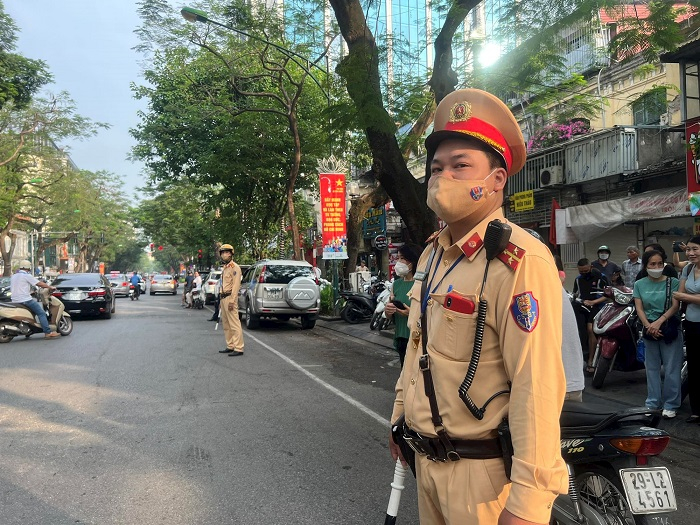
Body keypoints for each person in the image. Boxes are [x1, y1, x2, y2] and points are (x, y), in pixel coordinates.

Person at [389, 89, 567, 525]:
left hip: (482, 479)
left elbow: (536, 384)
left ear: (497, 179)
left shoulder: (518, 260)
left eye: (460, 165)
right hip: (426, 463)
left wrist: (527, 501)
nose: (441, 177)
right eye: (435, 168)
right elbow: (417, 347)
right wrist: (399, 418)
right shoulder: (433, 254)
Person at [633, 250, 683, 419]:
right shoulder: (639, 284)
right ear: (645, 266)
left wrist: (658, 322)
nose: (656, 267)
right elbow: (639, 308)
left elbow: (675, 306)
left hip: (669, 329)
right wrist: (648, 326)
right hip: (649, 331)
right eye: (652, 264)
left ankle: (671, 404)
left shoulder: (673, 282)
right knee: (651, 369)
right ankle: (653, 402)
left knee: (672, 369)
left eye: (660, 263)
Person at [673, 236, 700, 423]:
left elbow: (683, 295)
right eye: (688, 249)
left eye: (695, 249)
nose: (690, 253)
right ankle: (697, 410)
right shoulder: (688, 269)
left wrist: (688, 296)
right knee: (694, 367)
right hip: (691, 323)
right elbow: (678, 294)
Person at [384, 244, 420, 368]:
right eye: (398, 258)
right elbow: (389, 316)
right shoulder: (396, 284)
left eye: (402, 258)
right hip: (400, 337)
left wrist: (412, 314)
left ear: (412, 261)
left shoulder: (421, 284)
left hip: (416, 339)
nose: (398, 262)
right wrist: (388, 311)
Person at [572, 258, 608, 375]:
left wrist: (593, 302)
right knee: (578, 330)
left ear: (591, 267)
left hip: (596, 306)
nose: (583, 273)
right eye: (581, 271)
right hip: (582, 306)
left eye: (585, 271)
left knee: (590, 330)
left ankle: (591, 360)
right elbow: (575, 294)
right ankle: (579, 358)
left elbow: (607, 295)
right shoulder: (578, 280)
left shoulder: (601, 277)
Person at [10, 260, 60, 339]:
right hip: (25, 300)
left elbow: (20, 287)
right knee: (41, 313)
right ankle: (48, 332)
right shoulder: (26, 275)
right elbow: (39, 283)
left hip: (15, 300)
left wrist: (31, 291)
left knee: (32, 313)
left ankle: (29, 330)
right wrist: (50, 287)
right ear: (28, 267)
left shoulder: (14, 276)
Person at [217, 244, 244, 356]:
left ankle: (238, 348)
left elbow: (236, 285)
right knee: (226, 324)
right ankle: (230, 345)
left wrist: (232, 301)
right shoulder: (225, 268)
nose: (224, 255)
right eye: (223, 253)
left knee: (234, 324)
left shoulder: (235, 267)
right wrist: (220, 300)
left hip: (230, 297)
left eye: (227, 252)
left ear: (231, 254)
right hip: (223, 297)